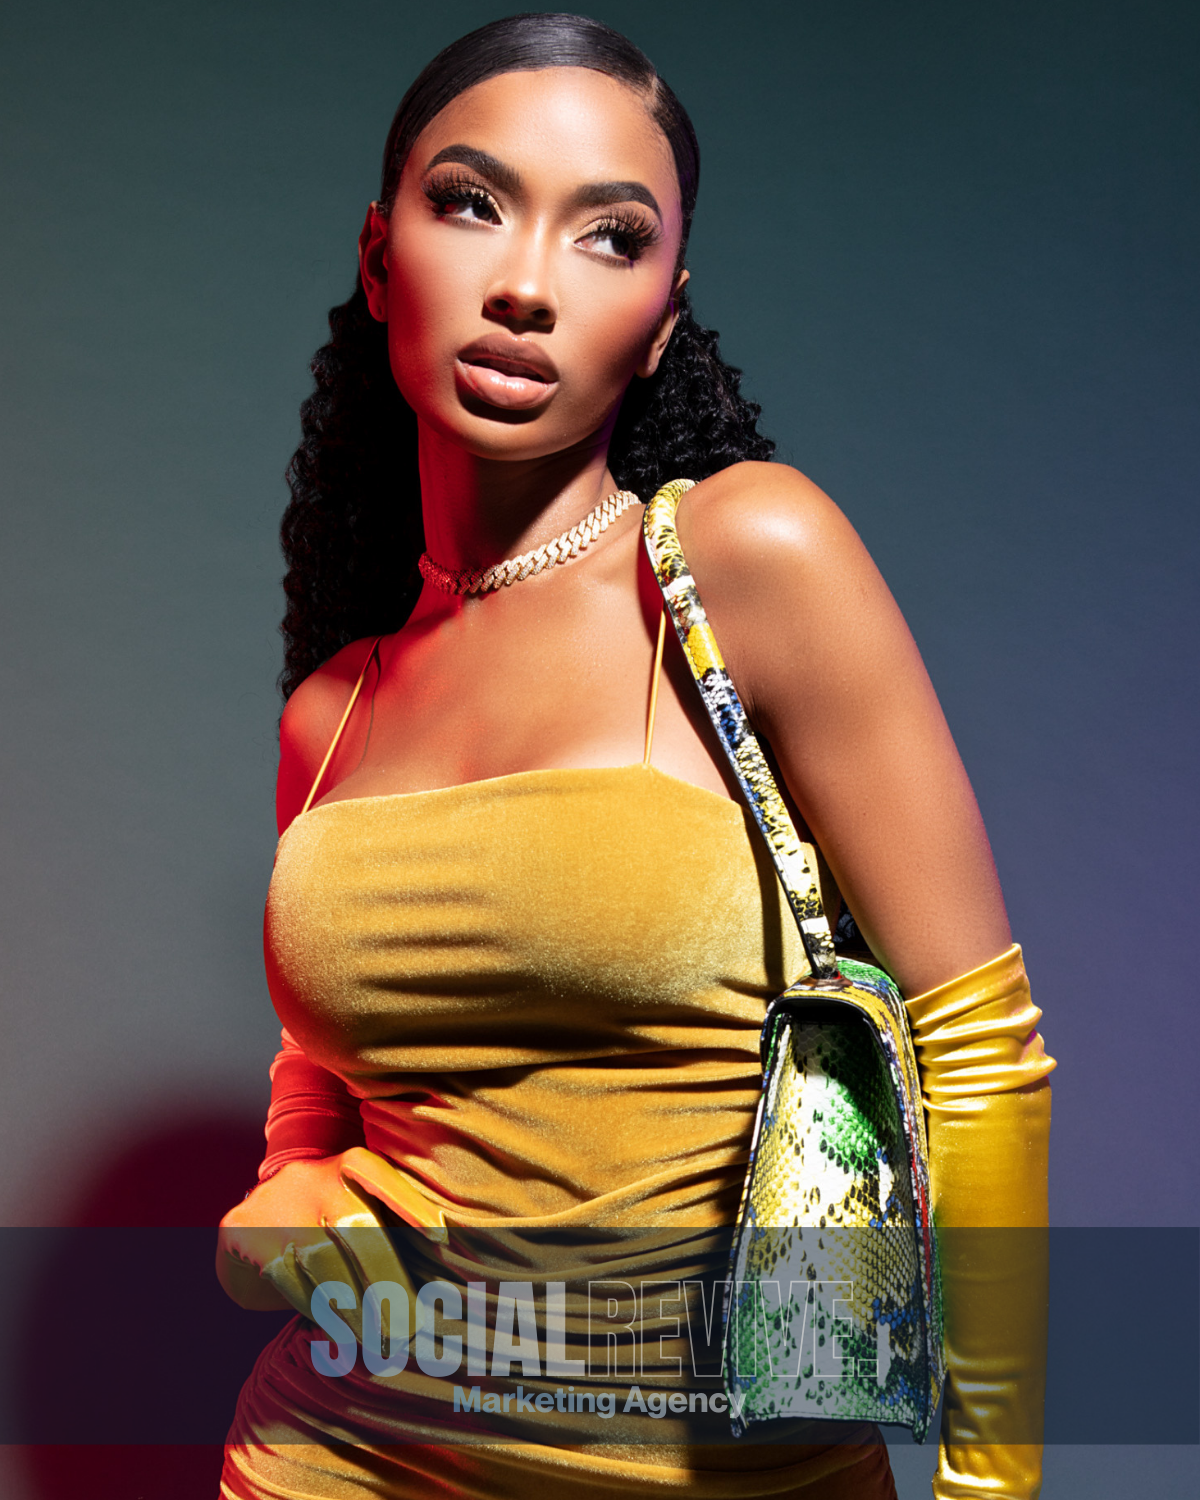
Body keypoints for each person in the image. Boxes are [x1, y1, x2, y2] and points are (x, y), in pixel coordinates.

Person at [216, 13, 1054, 1499]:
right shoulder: (332, 706)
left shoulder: (743, 562)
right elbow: (324, 1084)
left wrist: (996, 1484)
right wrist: (279, 1194)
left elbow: (977, 1054)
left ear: (663, 318)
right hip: (333, 1455)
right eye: (471, 202)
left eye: (609, 237)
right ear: (376, 255)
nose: (526, 285)